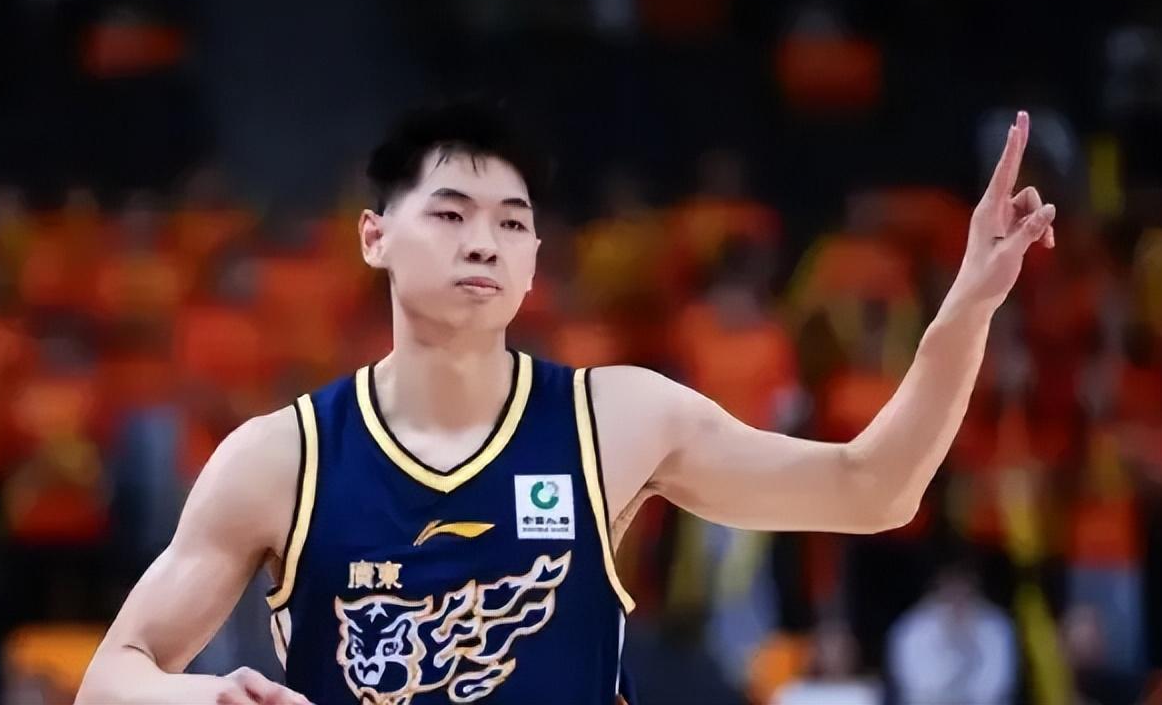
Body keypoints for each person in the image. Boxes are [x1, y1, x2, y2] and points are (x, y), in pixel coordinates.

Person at [75, 101, 1057, 704]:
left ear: (536, 258)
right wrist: (201, 699)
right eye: (450, 213)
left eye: (512, 224)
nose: (483, 242)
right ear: (374, 237)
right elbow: (113, 672)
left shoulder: (617, 419)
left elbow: (872, 489)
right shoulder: (282, 457)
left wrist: (965, 309)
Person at [887, 562, 1017, 705]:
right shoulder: (915, 625)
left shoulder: (995, 625)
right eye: (951, 587)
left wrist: (967, 640)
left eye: (964, 587)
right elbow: (916, 682)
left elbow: (996, 685)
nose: (958, 595)